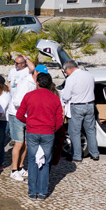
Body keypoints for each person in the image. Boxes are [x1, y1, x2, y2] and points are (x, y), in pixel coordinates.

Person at [16, 71, 64, 201]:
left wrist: (29, 123)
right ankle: (42, 192)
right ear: (49, 84)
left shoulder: (29, 96)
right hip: (48, 132)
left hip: (32, 131)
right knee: (45, 162)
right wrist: (53, 129)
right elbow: (60, 119)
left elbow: (19, 115)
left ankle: (32, 191)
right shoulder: (54, 98)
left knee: (32, 161)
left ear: (37, 83)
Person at [60, 61, 101, 163]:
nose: (66, 73)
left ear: (69, 68)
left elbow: (66, 96)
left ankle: (77, 156)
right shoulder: (90, 75)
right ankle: (95, 154)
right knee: (91, 130)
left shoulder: (71, 79)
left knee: (75, 132)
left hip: (77, 107)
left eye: (65, 71)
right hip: (90, 105)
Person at [7, 56, 37, 181]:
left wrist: (26, 57)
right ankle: (14, 170)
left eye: (19, 63)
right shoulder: (24, 83)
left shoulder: (29, 76)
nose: (16, 65)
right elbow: (17, 100)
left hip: (26, 115)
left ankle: (20, 167)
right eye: (15, 63)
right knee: (18, 143)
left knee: (25, 143)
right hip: (16, 113)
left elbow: (32, 67)